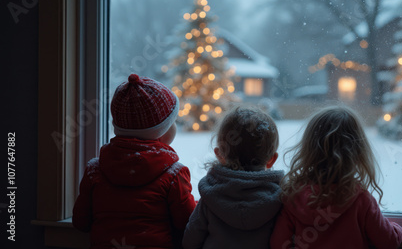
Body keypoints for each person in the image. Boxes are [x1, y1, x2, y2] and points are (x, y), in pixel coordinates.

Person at [73, 74, 196, 249]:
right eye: (172, 121)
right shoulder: (174, 175)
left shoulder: (95, 170)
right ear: (160, 132)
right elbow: (186, 222)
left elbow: (80, 222)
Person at [270, 106, 402, 249]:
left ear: (308, 150)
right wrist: (399, 229)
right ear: (357, 153)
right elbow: (388, 242)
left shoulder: (294, 197)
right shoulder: (360, 199)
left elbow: (277, 244)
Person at [183, 106, 284, 249]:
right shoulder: (280, 199)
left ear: (219, 155)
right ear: (272, 159)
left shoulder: (210, 195)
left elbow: (190, 241)